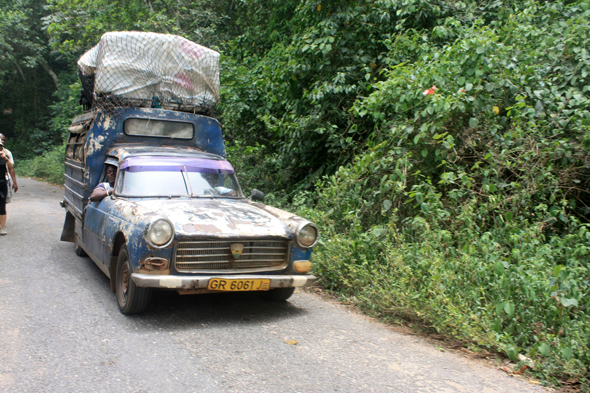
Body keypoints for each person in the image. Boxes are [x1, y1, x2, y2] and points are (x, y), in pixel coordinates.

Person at [0, 139, 18, 235]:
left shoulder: (5, 155)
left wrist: (5, 158)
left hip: (2, 183)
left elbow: (11, 166)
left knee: (2, 205)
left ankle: (2, 227)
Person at [0, 133, 14, 203]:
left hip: (4, 180)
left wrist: (14, 182)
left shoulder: (7, 153)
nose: (2, 141)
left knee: (3, 204)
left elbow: (11, 167)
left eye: (3, 140)